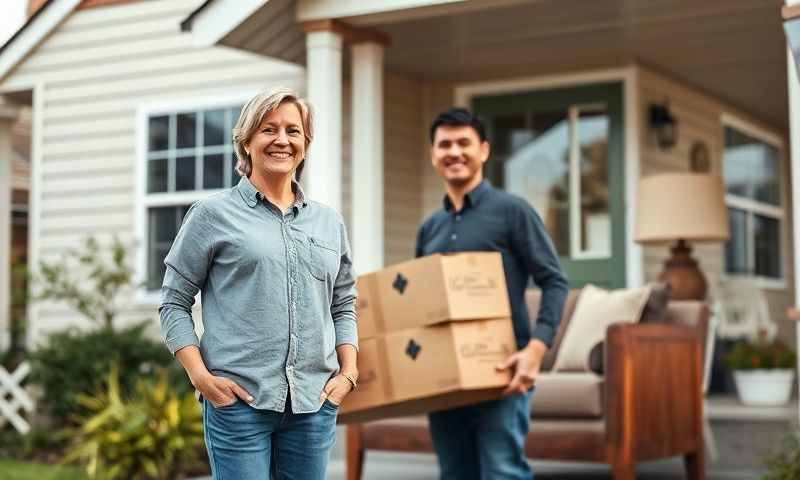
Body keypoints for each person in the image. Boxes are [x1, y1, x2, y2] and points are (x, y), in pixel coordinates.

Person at [159, 87, 358, 480]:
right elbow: (173, 303)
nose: (282, 140)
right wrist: (201, 378)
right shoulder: (212, 215)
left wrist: (347, 374)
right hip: (239, 407)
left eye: (293, 131)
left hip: (312, 407)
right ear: (246, 142)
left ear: (305, 144)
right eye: (269, 129)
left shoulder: (328, 222)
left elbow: (344, 304)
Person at [416, 107, 569, 480]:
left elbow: (554, 281)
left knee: (503, 473)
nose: (454, 152)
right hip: (445, 382)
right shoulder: (429, 227)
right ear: (433, 155)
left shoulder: (512, 211)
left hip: (502, 372)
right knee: (454, 474)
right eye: (445, 144)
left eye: (464, 143)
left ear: (483, 150)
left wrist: (536, 350)